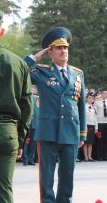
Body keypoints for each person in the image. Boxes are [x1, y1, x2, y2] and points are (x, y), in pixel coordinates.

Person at [24, 26, 86, 203]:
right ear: (50, 52)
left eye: (65, 47)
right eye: (58, 48)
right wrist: (34, 58)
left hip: (70, 132)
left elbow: (80, 104)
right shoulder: (41, 71)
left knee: (67, 177)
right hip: (49, 131)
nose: (63, 51)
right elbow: (19, 70)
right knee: (47, 177)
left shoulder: (78, 74)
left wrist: (82, 132)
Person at [0, 8, 33, 203]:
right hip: (8, 133)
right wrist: (21, 138)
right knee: (4, 190)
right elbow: (27, 105)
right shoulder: (18, 62)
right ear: (2, 32)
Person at [22, 85, 40, 166]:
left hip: (35, 124)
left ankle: (31, 159)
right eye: (33, 88)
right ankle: (25, 159)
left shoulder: (38, 99)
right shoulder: (28, 97)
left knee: (33, 143)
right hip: (28, 123)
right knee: (26, 142)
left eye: (35, 88)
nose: (34, 90)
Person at [95, 88, 107, 161]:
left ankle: (106, 156)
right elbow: (95, 115)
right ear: (101, 94)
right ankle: (100, 156)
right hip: (100, 123)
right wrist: (96, 126)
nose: (106, 95)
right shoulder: (97, 102)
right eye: (105, 93)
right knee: (100, 140)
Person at [83, 92, 97, 162]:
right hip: (86, 125)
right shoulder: (84, 106)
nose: (91, 99)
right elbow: (84, 118)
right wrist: (84, 126)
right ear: (86, 98)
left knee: (91, 142)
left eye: (92, 98)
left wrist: (96, 127)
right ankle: (86, 157)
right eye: (89, 98)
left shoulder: (94, 107)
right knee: (85, 142)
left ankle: (90, 156)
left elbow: (95, 117)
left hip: (92, 125)